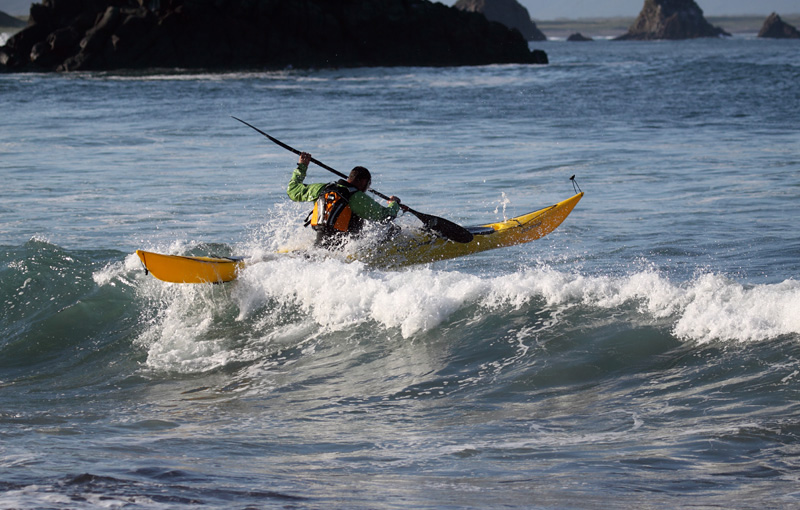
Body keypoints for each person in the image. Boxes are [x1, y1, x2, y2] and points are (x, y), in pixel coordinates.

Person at [287, 151, 401, 248]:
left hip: (317, 247)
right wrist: (394, 203)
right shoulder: (356, 197)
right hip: (341, 252)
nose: (367, 188)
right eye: (368, 184)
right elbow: (386, 216)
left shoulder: (322, 189)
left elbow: (293, 190)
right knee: (393, 229)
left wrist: (302, 166)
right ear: (362, 182)